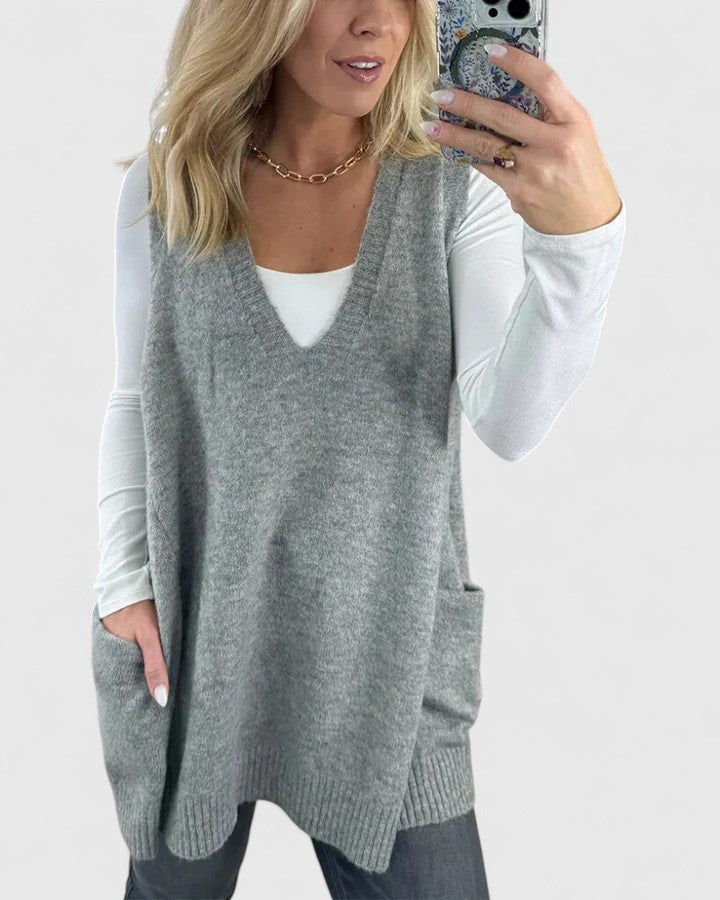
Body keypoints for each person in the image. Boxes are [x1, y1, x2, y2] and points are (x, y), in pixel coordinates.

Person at [91, 1, 626, 897]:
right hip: (200, 645)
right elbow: (136, 398)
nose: (378, 20)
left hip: (394, 666)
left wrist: (580, 244)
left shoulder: (452, 190)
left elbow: (510, 422)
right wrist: (121, 586)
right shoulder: (174, 181)